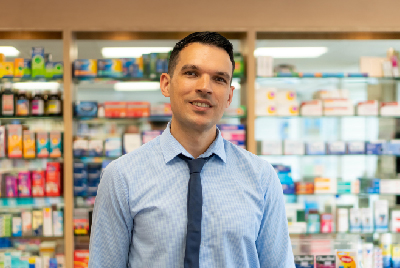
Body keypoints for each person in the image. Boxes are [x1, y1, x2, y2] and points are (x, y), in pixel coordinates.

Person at [89, 31, 294, 268]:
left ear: (229, 96)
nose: (204, 87)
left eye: (219, 79)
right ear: (166, 84)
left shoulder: (261, 177)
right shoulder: (122, 177)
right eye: (191, 73)